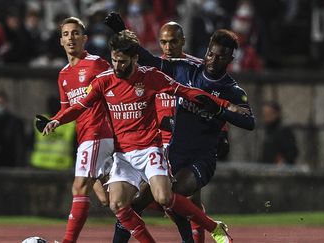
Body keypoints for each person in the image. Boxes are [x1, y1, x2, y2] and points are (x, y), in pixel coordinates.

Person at [44, 30, 246, 243]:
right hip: (123, 155)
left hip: (150, 150)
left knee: (164, 197)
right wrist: (57, 120)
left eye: (122, 62)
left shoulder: (151, 77)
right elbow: (80, 107)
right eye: (114, 60)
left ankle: (214, 228)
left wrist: (225, 105)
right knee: (117, 204)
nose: (117, 66)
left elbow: (184, 91)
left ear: (135, 58)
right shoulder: (103, 81)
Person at [104, 12, 255, 243]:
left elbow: (249, 121)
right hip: (172, 152)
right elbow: (149, 60)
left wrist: (219, 113)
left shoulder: (232, 90)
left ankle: (209, 232)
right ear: (206, 52)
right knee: (134, 206)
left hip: (201, 158)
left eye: (221, 57)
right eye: (211, 54)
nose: (213, 60)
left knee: (173, 194)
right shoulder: (186, 70)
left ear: (230, 59)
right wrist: (122, 31)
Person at [51, 17, 115, 243]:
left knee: (79, 187)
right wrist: (52, 120)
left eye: (76, 33)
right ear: (61, 41)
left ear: (84, 39)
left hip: (98, 133)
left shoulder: (97, 64)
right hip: (85, 136)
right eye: (66, 34)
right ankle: (170, 202)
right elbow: (67, 110)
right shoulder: (63, 75)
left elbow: (116, 92)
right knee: (110, 199)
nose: (71, 38)